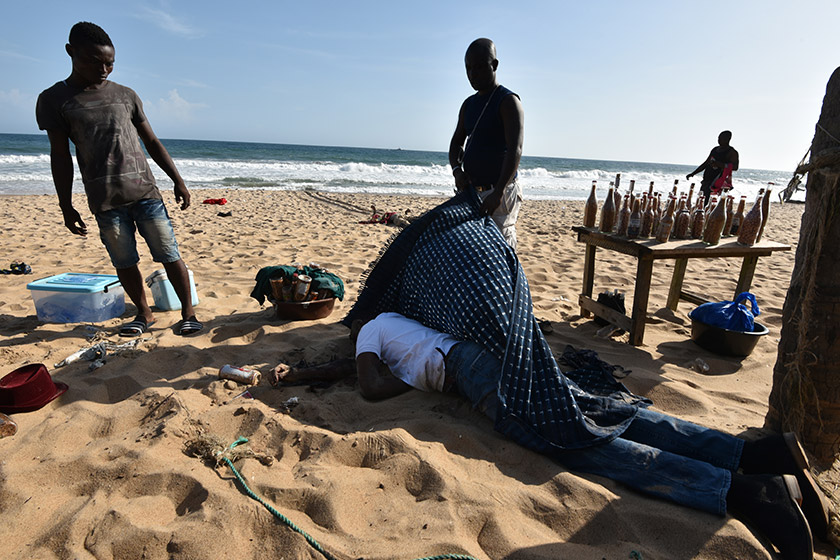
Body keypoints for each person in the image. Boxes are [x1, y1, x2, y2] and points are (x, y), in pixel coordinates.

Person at [275, 311, 825, 560]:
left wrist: (408, 383)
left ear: (359, 327)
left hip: (469, 372)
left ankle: (742, 491)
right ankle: (756, 454)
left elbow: (369, 386)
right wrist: (302, 375)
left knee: (570, 437)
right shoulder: (403, 324)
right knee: (601, 409)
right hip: (498, 353)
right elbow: (352, 370)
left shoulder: (371, 330)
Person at [36, 22, 202, 337]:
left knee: (169, 252)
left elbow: (152, 142)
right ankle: (143, 313)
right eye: (94, 61)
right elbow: (60, 156)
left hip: (145, 192)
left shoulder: (126, 95)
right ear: (71, 53)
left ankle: (188, 312)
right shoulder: (54, 99)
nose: (104, 69)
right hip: (105, 199)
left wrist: (177, 180)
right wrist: (65, 205)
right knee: (124, 260)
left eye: (110, 63)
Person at [449, 38, 524, 249]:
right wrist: (457, 171)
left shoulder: (508, 102)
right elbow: (456, 144)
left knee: (499, 248)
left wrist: (498, 192)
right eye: (468, 68)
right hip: (472, 193)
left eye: (480, 67)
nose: (473, 74)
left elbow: (515, 150)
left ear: (495, 65)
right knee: (473, 250)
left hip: (499, 193)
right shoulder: (468, 105)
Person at [687, 130, 740, 202]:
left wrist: (720, 164)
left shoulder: (732, 152)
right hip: (707, 180)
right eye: (718, 138)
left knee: (711, 203)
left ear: (727, 139)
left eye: (721, 138)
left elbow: (735, 167)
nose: (719, 140)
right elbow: (706, 163)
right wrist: (693, 173)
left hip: (718, 183)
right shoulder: (715, 149)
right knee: (702, 200)